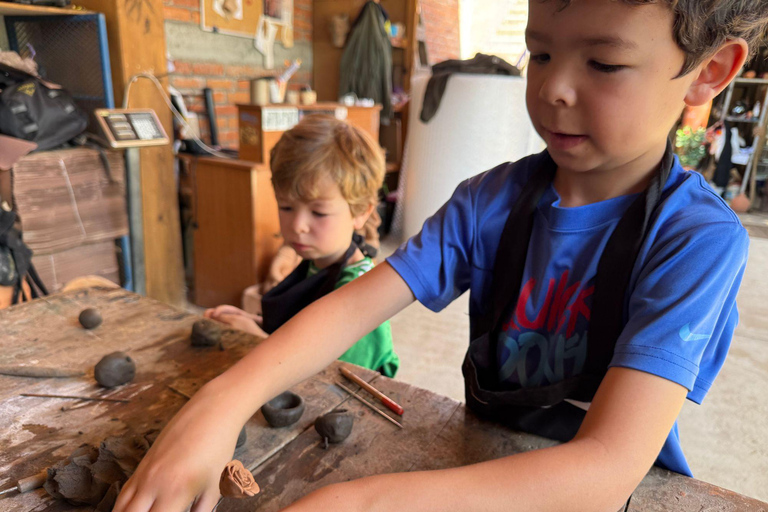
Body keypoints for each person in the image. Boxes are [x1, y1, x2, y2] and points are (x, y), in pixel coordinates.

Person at [115, 1, 767, 511]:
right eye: (538, 53)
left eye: (602, 64)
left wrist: (356, 500)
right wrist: (219, 404)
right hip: (477, 465)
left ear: (708, 72)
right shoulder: (490, 201)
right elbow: (351, 309)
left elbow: (605, 469)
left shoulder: (697, 240)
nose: (554, 89)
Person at [203, 114, 399, 377]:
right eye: (286, 207)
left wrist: (256, 340)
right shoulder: (315, 264)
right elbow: (302, 333)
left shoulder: (362, 296)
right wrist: (251, 323)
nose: (297, 225)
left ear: (361, 212)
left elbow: (328, 379)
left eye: (318, 213)